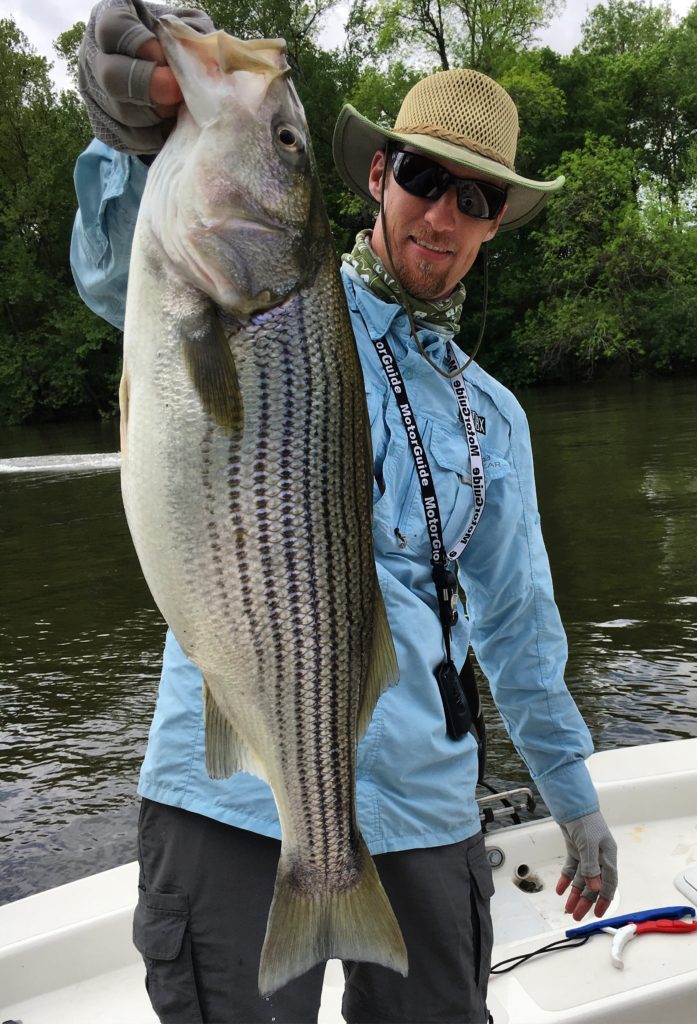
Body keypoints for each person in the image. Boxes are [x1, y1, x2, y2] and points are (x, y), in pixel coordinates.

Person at [71, 3, 618, 1022]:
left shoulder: (493, 418)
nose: (441, 214)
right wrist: (125, 137)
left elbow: (516, 626)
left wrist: (571, 790)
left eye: (476, 195)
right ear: (377, 178)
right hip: (227, 782)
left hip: (425, 803)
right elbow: (117, 273)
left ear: (495, 220)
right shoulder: (271, 291)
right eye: (420, 178)